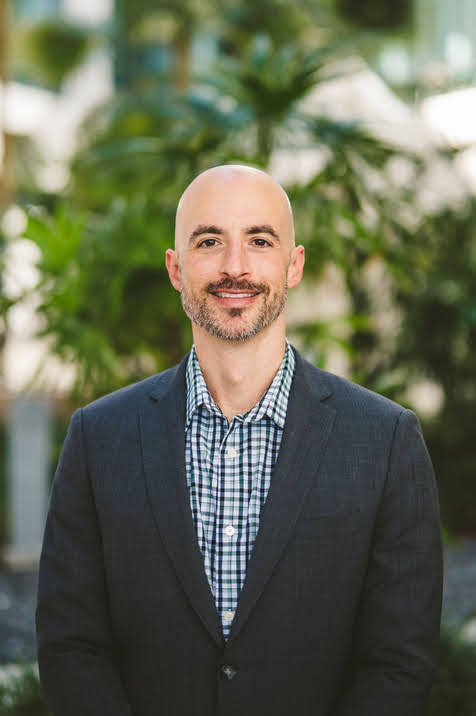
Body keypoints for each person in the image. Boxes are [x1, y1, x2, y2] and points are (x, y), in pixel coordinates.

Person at [36, 164, 443, 716]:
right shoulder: (98, 438)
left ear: (293, 264)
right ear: (176, 269)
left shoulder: (387, 441)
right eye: (209, 242)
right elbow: (70, 644)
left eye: (259, 240)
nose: (235, 267)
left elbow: (398, 662)